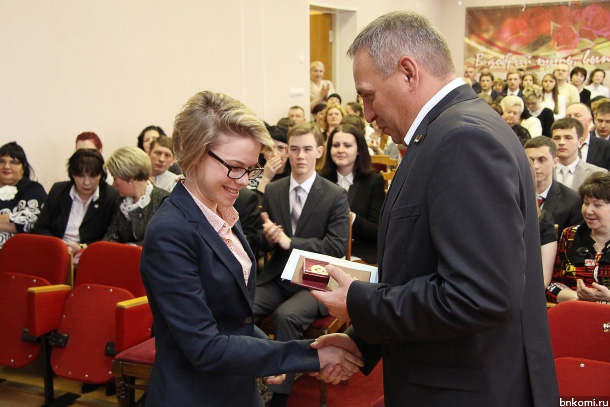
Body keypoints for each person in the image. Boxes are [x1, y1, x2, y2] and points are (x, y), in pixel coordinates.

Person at [310, 10, 558, 407]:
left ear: (408, 73)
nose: (368, 115)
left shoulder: (463, 139)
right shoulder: (446, 132)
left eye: (369, 95)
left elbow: (479, 294)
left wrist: (360, 303)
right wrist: (362, 340)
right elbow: (421, 270)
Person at [140, 91, 361, 407]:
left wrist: (274, 354)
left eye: (251, 168)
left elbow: (233, 321)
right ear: (194, 154)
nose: (244, 180)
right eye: (235, 167)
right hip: (195, 393)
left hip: (235, 385)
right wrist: (306, 356)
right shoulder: (170, 232)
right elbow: (204, 346)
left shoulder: (223, 210)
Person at [253, 122, 350, 407]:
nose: (300, 156)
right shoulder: (274, 190)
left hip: (315, 279)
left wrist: (290, 242)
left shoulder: (334, 194)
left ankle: (278, 396)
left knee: (287, 316)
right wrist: (269, 237)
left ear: (319, 152)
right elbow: (260, 241)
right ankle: (244, 376)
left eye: (307, 149)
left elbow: (335, 247)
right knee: (241, 305)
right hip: (278, 276)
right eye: (294, 149)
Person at [33, 149, 118, 257]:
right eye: (81, 176)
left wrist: (82, 247)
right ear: (72, 174)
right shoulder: (58, 190)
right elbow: (40, 227)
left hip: (91, 255)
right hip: (56, 252)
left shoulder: (110, 196)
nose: (86, 182)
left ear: (101, 175)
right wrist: (60, 246)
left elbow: (111, 237)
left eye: (92, 176)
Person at [320, 124, 385, 264]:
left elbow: (377, 231)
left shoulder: (373, 181)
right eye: (335, 145)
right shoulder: (320, 180)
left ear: (359, 150)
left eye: (347, 145)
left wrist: (350, 216)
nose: (340, 150)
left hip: (360, 254)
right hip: (325, 252)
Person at [547, 172, 610, 303]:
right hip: (576, 309)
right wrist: (578, 297)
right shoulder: (569, 235)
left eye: (597, 205)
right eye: (586, 203)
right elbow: (552, 284)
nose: (588, 211)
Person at [102, 147, 169, 245]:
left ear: (130, 178)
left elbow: (160, 239)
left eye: (115, 178)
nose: (113, 184)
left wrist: (131, 249)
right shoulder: (119, 201)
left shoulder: (164, 200)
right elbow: (111, 235)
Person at [524, 136, 583, 242]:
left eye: (541, 160)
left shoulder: (572, 200)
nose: (535, 166)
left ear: (555, 162)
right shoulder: (516, 195)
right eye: (531, 160)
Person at [0, 142, 47, 248]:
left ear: (23, 167)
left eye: (13, 162)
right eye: (1, 161)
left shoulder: (33, 189)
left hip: (16, 250)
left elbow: (29, 221)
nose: (6, 166)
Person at [551, 118, 606, 192]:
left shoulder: (598, 174)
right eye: (557, 138)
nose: (561, 142)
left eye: (568, 138)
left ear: (580, 142)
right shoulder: (540, 171)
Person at [566, 102, 610, 170]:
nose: (572, 119)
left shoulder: (606, 146)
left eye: (577, 115)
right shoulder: (558, 145)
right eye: (568, 116)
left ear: (589, 120)